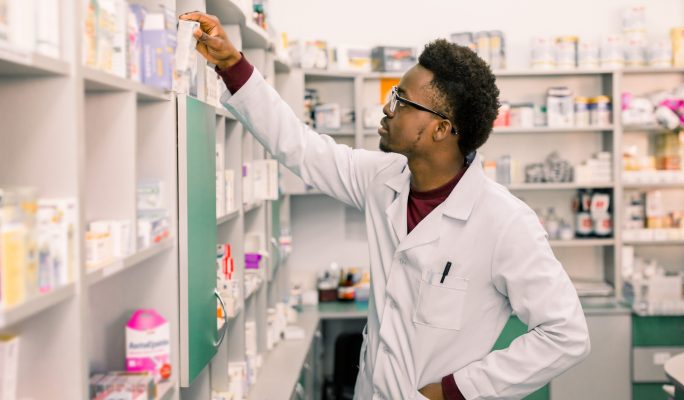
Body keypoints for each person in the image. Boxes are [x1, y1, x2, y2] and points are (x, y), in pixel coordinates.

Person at [180, 11, 591, 400]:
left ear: (441, 129)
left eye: (401, 100)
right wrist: (232, 63)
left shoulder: (504, 222)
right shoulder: (382, 180)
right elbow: (301, 148)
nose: (386, 107)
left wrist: (456, 390)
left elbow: (566, 334)